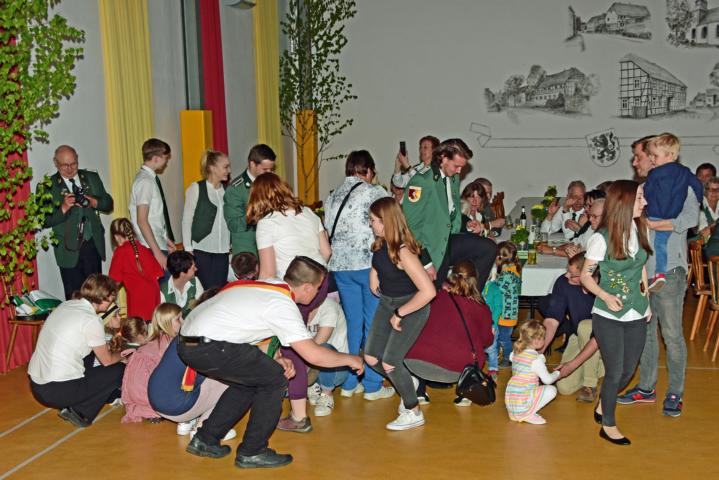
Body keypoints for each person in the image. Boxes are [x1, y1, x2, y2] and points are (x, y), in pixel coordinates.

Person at [178, 256, 363, 469]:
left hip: (188, 342)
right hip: (208, 345)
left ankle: (205, 440)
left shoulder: (272, 286)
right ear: (306, 287)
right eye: (318, 287)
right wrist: (351, 359)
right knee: (275, 380)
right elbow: (313, 355)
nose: (319, 292)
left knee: (249, 382)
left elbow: (249, 327)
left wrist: (277, 358)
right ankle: (252, 451)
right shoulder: (282, 305)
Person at [618, 138, 700, 419]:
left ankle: (675, 392)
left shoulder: (683, 184)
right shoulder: (644, 188)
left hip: (670, 271)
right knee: (645, 332)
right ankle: (646, 387)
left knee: (672, 335)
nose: (636, 162)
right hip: (643, 269)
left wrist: (659, 224)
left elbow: (691, 219)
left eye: (641, 157)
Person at [581, 180, 652, 445]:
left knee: (628, 370)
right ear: (624, 202)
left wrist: (647, 300)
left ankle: (604, 402)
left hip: (636, 310)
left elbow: (641, 267)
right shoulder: (601, 239)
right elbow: (585, 276)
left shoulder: (639, 228)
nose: (644, 202)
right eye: (640, 198)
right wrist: (605, 295)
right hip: (608, 315)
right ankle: (608, 425)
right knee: (615, 371)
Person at [323, 150, 393, 401]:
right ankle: (372, 384)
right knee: (373, 324)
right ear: (369, 170)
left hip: (340, 267)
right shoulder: (375, 192)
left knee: (353, 324)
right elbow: (390, 221)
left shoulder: (332, 196)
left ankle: (350, 382)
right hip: (367, 266)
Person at [364, 197, 436, 431]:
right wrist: (374, 274)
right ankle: (407, 380)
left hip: (411, 306)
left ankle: (413, 411)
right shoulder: (381, 244)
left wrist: (400, 313)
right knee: (371, 357)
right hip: (388, 303)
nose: (371, 224)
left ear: (386, 222)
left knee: (390, 363)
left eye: (373, 220)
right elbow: (378, 262)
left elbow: (428, 292)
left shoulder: (404, 252)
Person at [28, 274, 125, 428]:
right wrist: (124, 353)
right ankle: (81, 412)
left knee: (91, 354)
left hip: (37, 385)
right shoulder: (92, 320)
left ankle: (104, 396)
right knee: (118, 369)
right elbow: (107, 361)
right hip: (57, 391)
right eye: (112, 298)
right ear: (104, 298)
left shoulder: (67, 304)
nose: (113, 301)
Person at [402, 138, 497, 289]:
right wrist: (426, 262)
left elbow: (450, 211)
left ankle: (470, 297)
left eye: (461, 167)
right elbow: (409, 226)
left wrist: (467, 224)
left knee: (488, 248)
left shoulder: (453, 177)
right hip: (429, 247)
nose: (459, 171)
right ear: (444, 158)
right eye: (457, 166)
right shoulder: (422, 181)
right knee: (433, 295)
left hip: (448, 239)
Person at [404, 261, 494, 406]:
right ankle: (466, 392)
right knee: (476, 350)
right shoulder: (481, 308)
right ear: (475, 280)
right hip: (458, 370)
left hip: (416, 363)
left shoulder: (432, 297)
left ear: (451, 276)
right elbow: (487, 341)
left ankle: (419, 391)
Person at [148, 288, 233, 439]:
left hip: (156, 400)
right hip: (176, 405)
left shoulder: (187, 333)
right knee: (233, 379)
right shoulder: (204, 336)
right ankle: (205, 429)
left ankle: (187, 422)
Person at [42, 145, 114, 299]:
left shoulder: (91, 177)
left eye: (73, 164)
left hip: (92, 244)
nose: (69, 169)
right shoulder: (47, 186)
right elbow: (44, 220)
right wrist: (63, 207)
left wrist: (94, 202)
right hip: (67, 250)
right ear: (55, 163)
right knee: (74, 299)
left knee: (97, 296)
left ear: (77, 159)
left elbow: (108, 204)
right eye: (64, 165)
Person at [538, 253, 602, 403]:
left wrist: (573, 364)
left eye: (572, 275)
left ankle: (590, 384)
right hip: (578, 336)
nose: (567, 276)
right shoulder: (563, 282)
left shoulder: (606, 286)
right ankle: (601, 366)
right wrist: (539, 349)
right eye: (568, 271)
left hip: (603, 339)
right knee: (564, 388)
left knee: (586, 326)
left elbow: (598, 335)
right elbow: (552, 320)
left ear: (588, 275)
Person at [642, 133, 702, 291]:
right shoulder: (684, 172)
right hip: (670, 215)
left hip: (655, 215)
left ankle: (660, 273)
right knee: (660, 244)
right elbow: (697, 184)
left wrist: (648, 215)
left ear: (669, 155)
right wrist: (699, 198)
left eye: (655, 155)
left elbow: (648, 192)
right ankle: (659, 274)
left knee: (658, 245)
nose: (651, 159)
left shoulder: (653, 174)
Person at [247, 173, 330, 280]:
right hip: (320, 280)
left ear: (257, 198)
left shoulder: (267, 223)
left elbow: (268, 273)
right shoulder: (308, 211)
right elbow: (327, 252)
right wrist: (313, 277)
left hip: (292, 284)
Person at [120, 303, 183, 423]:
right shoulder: (167, 342)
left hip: (134, 393)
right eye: (178, 319)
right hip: (146, 392)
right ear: (166, 322)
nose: (183, 321)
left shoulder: (157, 340)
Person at [181, 150, 231, 289]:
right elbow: (187, 220)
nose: (229, 170)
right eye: (225, 167)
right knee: (207, 291)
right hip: (201, 250)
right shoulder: (196, 188)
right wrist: (188, 248)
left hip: (223, 251)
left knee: (220, 291)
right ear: (212, 168)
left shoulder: (227, 191)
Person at [129, 138, 176, 273]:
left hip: (156, 243)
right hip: (150, 247)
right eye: (165, 158)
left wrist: (164, 238)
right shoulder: (145, 181)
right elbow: (142, 220)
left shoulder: (148, 179)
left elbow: (154, 217)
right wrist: (158, 253)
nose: (166, 162)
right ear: (156, 159)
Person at [224, 144, 276, 256]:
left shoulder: (272, 183)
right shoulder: (236, 189)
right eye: (265, 169)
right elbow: (233, 224)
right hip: (248, 250)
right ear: (252, 164)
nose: (269, 173)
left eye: (271, 169)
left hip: (270, 245)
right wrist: (255, 212)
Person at [504, 321, 560, 425]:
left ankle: (517, 414)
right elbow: (547, 380)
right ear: (537, 341)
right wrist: (557, 373)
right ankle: (527, 414)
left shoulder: (515, 353)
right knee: (552, 390)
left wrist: (540, 357)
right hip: (523, 400)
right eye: (543, 338)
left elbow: (514, 358)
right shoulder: (535, 360)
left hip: (512, 400)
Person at [108, 218, 164, 321]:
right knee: (152, 324)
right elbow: (158, 274)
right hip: (153, 295)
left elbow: (113, 282)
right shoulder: (144, 249)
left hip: (137, 298)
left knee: (137, 326)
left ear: (116, 237)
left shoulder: (120, 252)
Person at [305, 298, 350, 417]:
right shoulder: (295, 307)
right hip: (311, 364)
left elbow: (316, 347)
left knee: (323, 348)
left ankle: (327, 393)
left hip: (336, 369)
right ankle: (312, 385)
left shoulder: (329, 307)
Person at [537, 197, 604, 257]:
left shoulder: (590, 222)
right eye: (574, 197)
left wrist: (553, 250)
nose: (577, 200)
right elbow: (575, 243)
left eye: (590, 206)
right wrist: (550, 215)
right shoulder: (591, 222)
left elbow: (584, 252)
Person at [495, 241, 522, 367]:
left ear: (499, 258)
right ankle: (496, 354)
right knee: (499, 336)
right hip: (507, 313)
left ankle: (508, 358)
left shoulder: (507, 275)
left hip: (506, 314)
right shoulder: (513, 269)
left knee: (504, 339)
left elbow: (497, 290)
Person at [160, 251, 204, 317]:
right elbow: (164, 319)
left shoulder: (195, 281)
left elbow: (202, 307)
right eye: (193, 268)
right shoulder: (163, 293)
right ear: (182, 274)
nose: (196, 269)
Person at [699, 176, 719, 257]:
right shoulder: (699, 207)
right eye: (711, 189)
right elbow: (704, 234)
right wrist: (717, 223)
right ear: (705, 191)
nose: (714, 193)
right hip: (704, 251)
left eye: (717, 190)